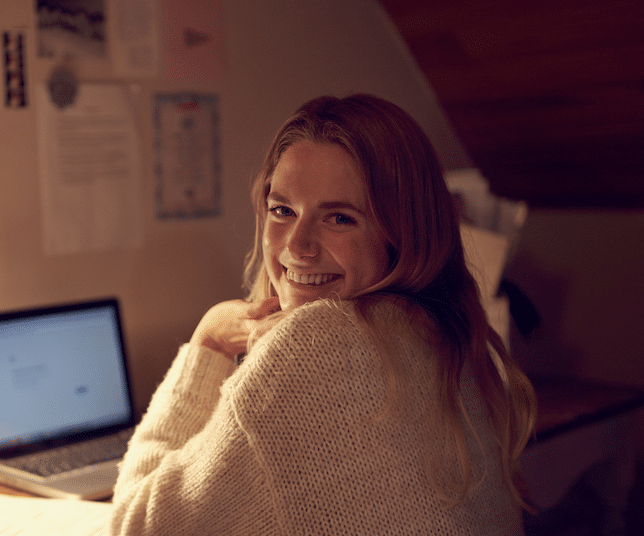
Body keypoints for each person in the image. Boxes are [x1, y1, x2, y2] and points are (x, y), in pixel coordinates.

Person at [110, 94, 537, 535]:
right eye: (282, 210)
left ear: (401, 233)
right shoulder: (452, 335)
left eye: (339, 218)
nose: (297, 246)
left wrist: (209, 341)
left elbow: (136, 526)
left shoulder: (310, 350)